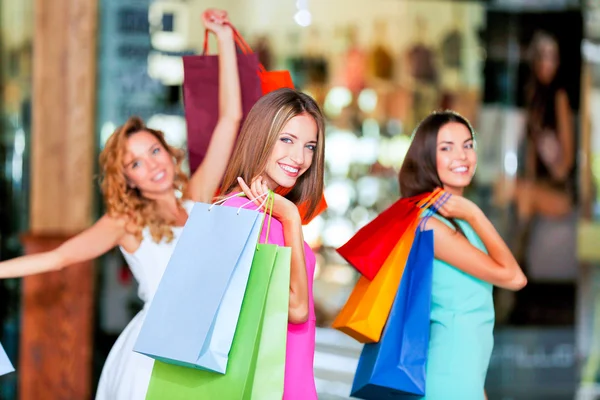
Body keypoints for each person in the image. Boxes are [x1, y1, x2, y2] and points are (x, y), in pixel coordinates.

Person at [0, 9, 242, 400]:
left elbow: (230, 118)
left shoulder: (197, 196)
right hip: (152, 356)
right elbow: (59, 257)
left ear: (168, 150)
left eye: (153, 151)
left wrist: (224, 37)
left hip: (205, 344)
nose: (151, 165)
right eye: (135, 163)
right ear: (127, 179)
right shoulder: (127, 222)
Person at [398, 111, 527, 399]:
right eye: (447, 148)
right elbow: (514, 277)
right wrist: (474, 212)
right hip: (448, 373)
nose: (463, 156)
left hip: (467, 373)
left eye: (468, 145)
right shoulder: (429, 224)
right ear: (426, 157)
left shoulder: (459, 221)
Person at [219, 88, 325, 399]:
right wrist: (291, 217)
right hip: (269, 385)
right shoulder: (245, 214)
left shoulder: (270, 212)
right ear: (260, 136)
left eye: (309, 146)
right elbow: (297, 309)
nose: (300, 158)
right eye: (287, 140)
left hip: (289, 379)